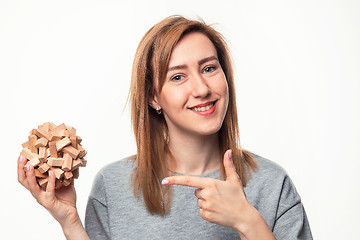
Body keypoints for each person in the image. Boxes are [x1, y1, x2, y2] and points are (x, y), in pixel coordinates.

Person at [17, 15, 312, 239]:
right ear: (153, 97)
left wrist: (248, 221)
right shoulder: (113, 186)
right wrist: (69, 222)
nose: (201, 89)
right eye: (177, 77)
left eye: (209, 68)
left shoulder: (272, 184)